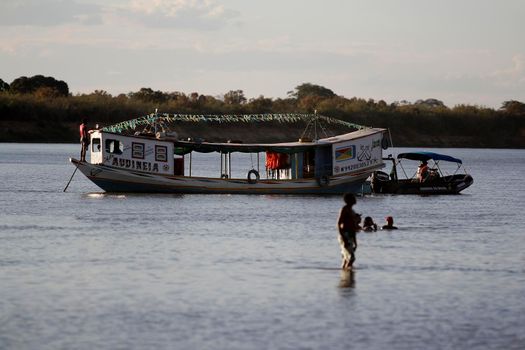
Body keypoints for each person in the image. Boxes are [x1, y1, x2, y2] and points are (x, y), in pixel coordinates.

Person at [337, 193, 361, 270]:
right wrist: (343, 238)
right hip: (345, 234)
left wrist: (355, 241)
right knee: (352, 258)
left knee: (345, 258)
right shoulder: (344, 209)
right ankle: (347, 273)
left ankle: (345, 276)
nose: (355, 199)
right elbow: (339, 223)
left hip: (350, 235)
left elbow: (353, 226)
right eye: (353, 198)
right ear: (348, 200)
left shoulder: (351, 210)